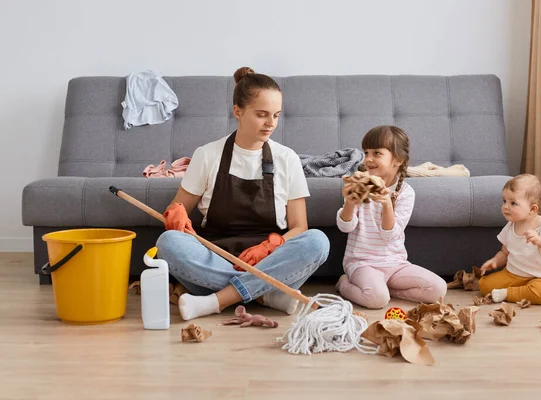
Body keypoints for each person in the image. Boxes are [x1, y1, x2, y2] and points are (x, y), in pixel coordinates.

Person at [156, 67, 330, 320]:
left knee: (317, 241)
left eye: (276, 115)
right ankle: (267, 294)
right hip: (216, 259)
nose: (271, 123)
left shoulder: (287, 158)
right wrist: (176, 217)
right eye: (262, 115)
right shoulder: (208, 155)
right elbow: (176, 209)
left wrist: (273, 245)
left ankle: (218, 300)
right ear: (237, 111)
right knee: (168, 243)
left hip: (271, 260)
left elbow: (299, 226)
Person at [335, 125, 447, 309]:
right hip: (362, 263)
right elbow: (345, 227)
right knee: (377, 300)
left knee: (438, 289)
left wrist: (387, 203)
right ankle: (343, 283)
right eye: (366, 152)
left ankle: (386, 290)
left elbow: (389, 236)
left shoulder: (406, 193)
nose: (368, 159)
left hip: (395, 264)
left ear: (398, 160)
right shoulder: (360, 183)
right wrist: (350, 200)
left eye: (377, 153)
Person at [479, 174, 541, 304]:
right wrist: (495, 261)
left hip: (540, 278)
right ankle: (521, 292)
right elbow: (505, 252)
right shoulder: (511, 225)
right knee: (484, 285)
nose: (506, 206)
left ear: (532, 209)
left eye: (513, 203)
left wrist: (540, 240)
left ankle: (507, 293)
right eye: (504, 201)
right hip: (512, 274)